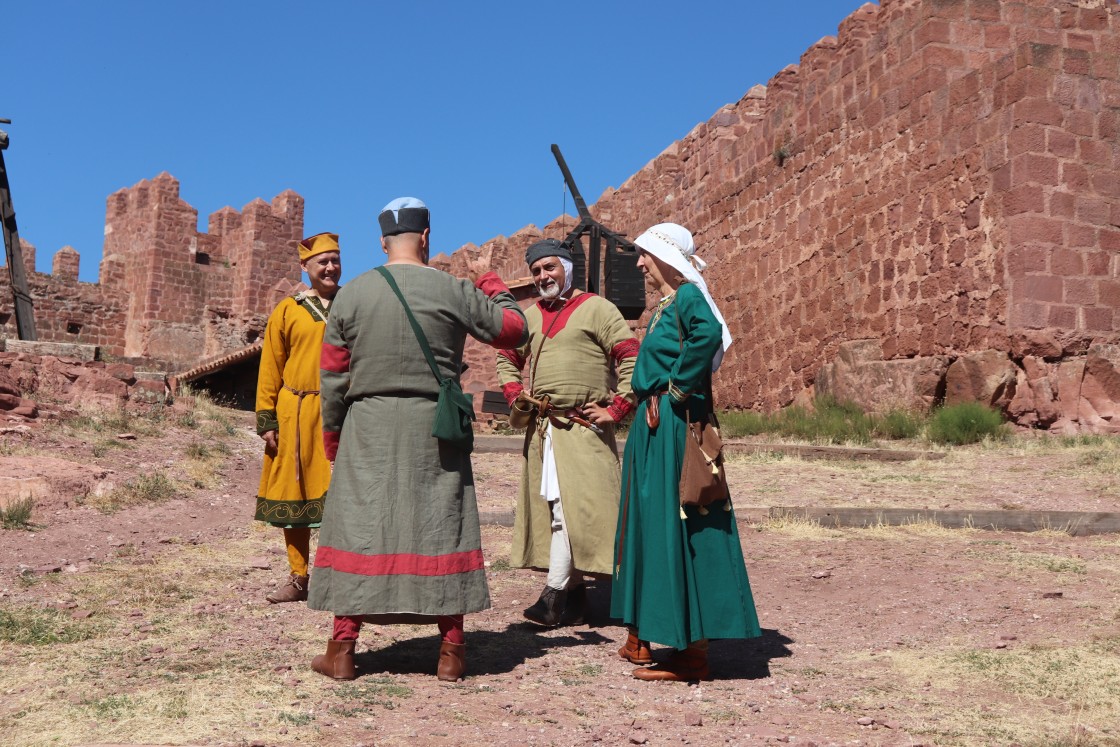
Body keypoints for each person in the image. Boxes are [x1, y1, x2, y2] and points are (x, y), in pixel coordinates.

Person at [307, 197, 528, 682]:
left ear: (382, 241)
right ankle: (451, 654)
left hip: (368, 425)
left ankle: (342, 650)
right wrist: (488, 278)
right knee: (441, 521)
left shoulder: (352, 295)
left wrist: (333, 440)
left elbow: (333, 379)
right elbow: (515, 330)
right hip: (436, 426)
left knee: (361, 526)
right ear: (427, 237)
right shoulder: (452, 289)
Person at [611, 222, 761, 681]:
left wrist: (675, 393)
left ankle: (691, 650)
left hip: (673, 427)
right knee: (646, 523)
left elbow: (709, 336)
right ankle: (643, 632)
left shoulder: (689, 297)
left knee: (675, 524)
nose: (638, 263)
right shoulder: (666, 305)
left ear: (666, 258)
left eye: (644, 255)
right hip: (652, 426)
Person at [497, 238, 638, 626]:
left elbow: (631, 355)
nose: (544, 276)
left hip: (584, 428)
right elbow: (506, 356)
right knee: (556, 510)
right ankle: (574, 598)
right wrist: (515, 395)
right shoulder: (528, 317)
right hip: (544, 429)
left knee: (578, 512)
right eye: (538, 271)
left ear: (567, 268)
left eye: (550, 268)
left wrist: (618, 408)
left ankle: (553, 595)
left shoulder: (597, 308)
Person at [254, 231, 341, 604]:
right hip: (295, 411)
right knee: (297, 495)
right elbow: (271, 365)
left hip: (340, 411)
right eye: (322, 261)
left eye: (336, 259)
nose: (331, 267)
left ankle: (340, 575)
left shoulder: (352, 304)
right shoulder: (288, 309)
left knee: (341, 495)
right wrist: (267, 419)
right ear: (305, 267)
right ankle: (299, 576)